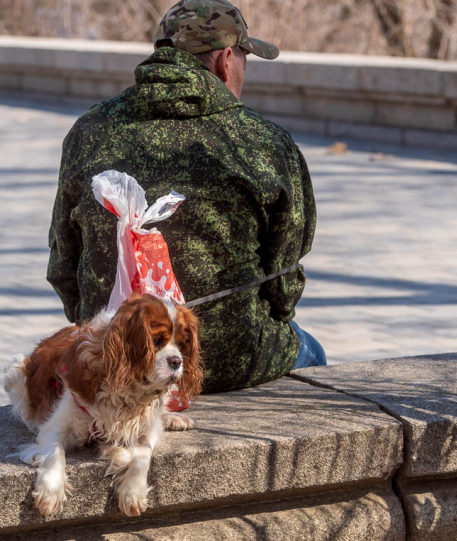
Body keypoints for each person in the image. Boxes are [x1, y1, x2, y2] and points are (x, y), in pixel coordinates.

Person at [46, 0, 326, 394]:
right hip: (233, 357)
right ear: (227, 60)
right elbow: (285, 277)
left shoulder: (88, 131)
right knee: (313, 351)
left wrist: (102, 326)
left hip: (115, 360)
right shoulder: (264, 142)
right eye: (245, 57)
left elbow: (62, 263)